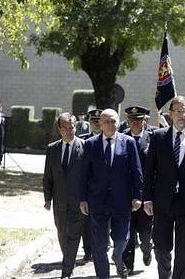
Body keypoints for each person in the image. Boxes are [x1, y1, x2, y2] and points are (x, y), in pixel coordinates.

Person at [143, 96, 185, 279]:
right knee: (161, 246)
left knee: (184, 249)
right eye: (178, 111)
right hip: (162, 201)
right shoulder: (158, 137)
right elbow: (149, 171)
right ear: (171, 114)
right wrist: (147, 198)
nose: (182, 115)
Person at [79, 109, 143, 279]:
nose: (110, 125)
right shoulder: (91, 144)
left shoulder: (128, 142)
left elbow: (137, 171)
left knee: (122, 238)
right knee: (99, 245)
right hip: (97, 201)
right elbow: (84, 174)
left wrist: (137, 196)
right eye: (106, 121)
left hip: (122, 200)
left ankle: (117, 256)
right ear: (100, 123)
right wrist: (83, 198)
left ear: (118, 122)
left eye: (113, 121)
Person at [43, 112, 86, 279]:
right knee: (62, 234)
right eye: (65, 128)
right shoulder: (52, 149)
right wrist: (47, 198)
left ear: (76, 127)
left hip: (78, 202)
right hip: (59, 202)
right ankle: (69, 259)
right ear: (59, 129)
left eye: (72, 127)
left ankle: (66, 271)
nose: (69, 131)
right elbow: (48, 176)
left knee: (74, 235)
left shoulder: (85, 146)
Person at [122, 106, 154, 274]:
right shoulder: (121, 138)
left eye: (138, 119)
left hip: (146, 194)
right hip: (126, 194)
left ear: (144, 120)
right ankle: (128, 266)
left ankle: (147, 249)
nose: (135, 123)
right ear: (128, 121)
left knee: (145, 232)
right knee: (127, 231)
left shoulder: (153, 137)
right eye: (132, 120)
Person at [77, 108, 103, 261]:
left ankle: (101, 246)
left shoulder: (111, 140)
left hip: (105, 188)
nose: (97, 125)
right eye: (94, 122)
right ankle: (88, 249)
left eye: (100, 122)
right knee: (86, 221)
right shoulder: (83, 141)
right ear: (90, 123)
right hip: (88, 187)